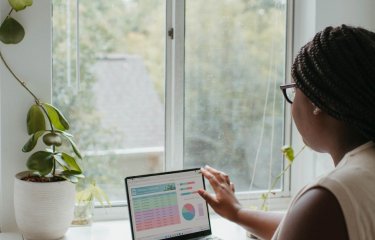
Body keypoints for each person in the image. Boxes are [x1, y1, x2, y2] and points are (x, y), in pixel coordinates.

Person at [198, 25, 375, 240]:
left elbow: (313, 220)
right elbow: (308, 226)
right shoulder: (359, 180)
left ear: (317, 101)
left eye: (294, 89)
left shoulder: (329, 197)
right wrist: (237, 213)